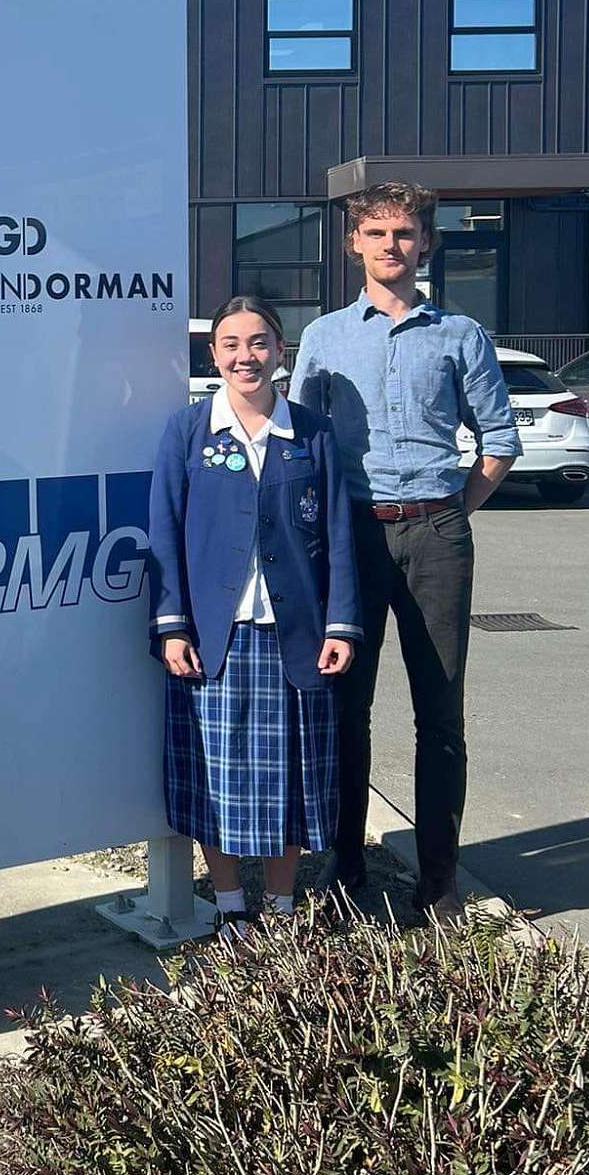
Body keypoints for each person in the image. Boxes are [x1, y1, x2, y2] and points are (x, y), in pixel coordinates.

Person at [291, 181, 519, 920]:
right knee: (344, 706)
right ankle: (345, 864)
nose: (392, 245)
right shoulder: (325, 338)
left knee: (440, 711)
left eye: (405, 233)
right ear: (354, 243)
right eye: (378, 233)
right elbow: (303, 444)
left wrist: (450, 513)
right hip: (353, 536)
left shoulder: (460, 335)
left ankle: (439, 878)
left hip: (436, 533)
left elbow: (499, 441)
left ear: (427, 243)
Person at [148, 296, 361, 935]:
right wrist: (171, 624)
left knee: (289, 782)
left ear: (280, 351)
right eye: (232, 344)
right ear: (214, 355)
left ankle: (283, 906)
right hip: (215, 639)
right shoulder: (188, 430)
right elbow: (164, 531)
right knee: (218, 782)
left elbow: (340, 532)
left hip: (296, 636)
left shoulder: (311, 433)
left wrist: (341, 624)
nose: (247, 357)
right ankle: (230, 906)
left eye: (259, 342)